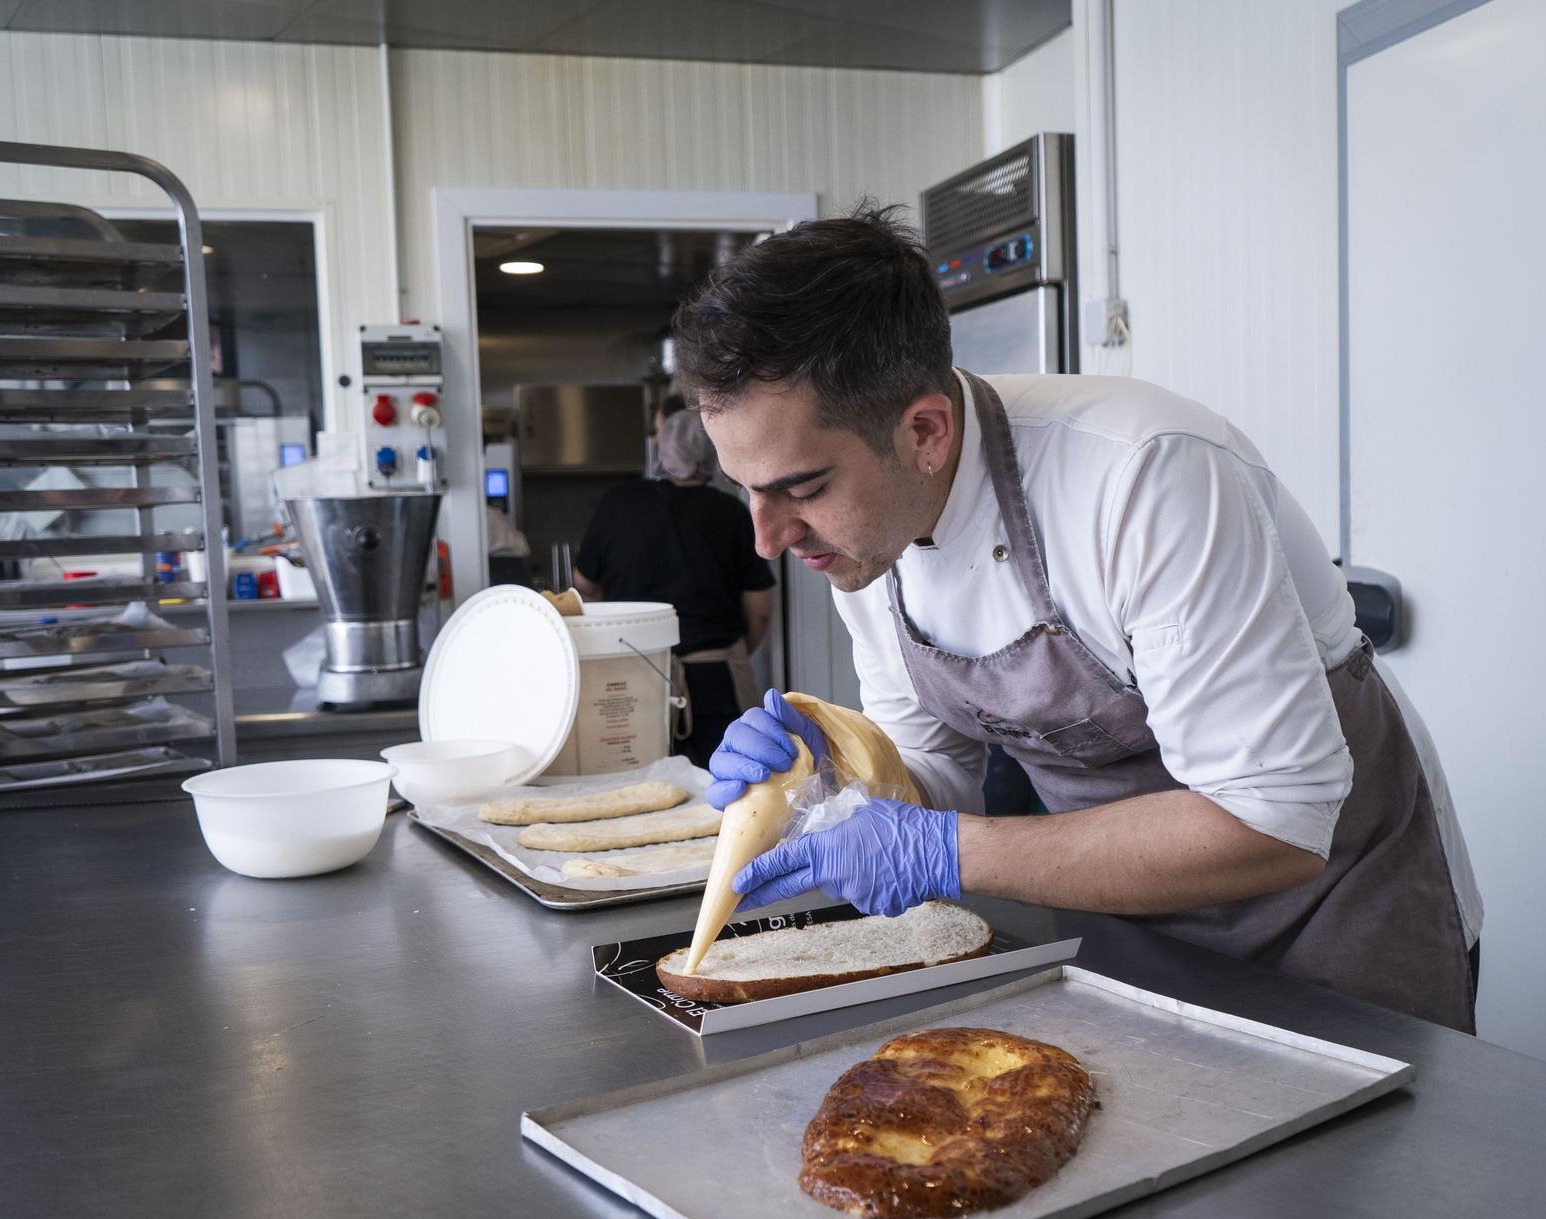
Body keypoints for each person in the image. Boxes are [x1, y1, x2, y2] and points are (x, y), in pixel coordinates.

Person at [678, 206, 1482, 1032]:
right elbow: (936, 765)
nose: (767, 538)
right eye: (748, 488)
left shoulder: (1143, 477)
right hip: (1130, 919)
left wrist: (946, 853)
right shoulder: (865, 537)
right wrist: (838, 778)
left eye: (801, 489)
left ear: (924, 431)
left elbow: (1273, 817)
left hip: (1336, 921)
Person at [572, 406, 776, 767]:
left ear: (662, 449)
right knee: (731, 784)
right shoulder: (730, 512)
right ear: (715, 453)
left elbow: (582, 583)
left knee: (639, 785)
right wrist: (731, 652)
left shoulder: (618, 502)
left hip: (635, 675)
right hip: (716, 675)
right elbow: (759, 611)